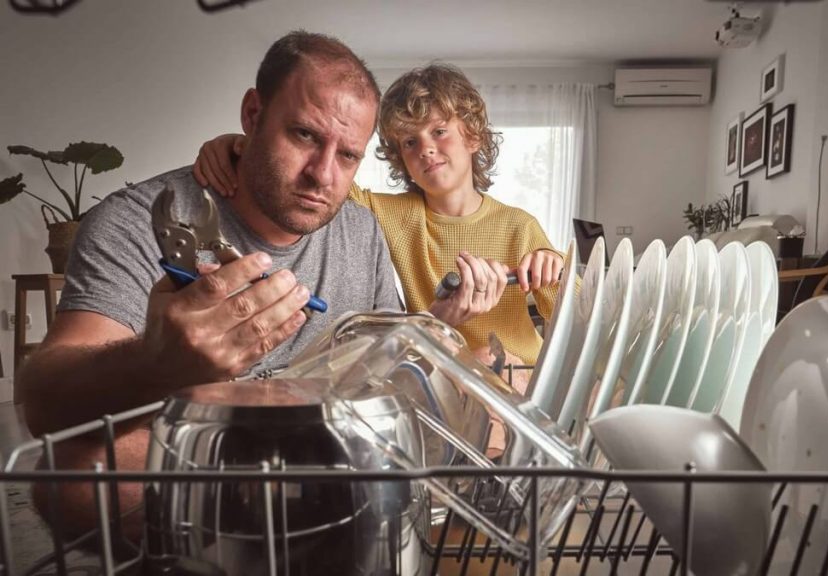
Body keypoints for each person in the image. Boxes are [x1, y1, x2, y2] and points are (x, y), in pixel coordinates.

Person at [18, 30, 400, 538]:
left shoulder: (362, 230)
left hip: (318, 452)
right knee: (69, 475)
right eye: (305, 135)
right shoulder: (131, 221)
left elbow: (388, 361)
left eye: (348, 155)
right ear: (252, 115)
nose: (322, 175)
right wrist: (155, 362)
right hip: (196, 454)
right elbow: (44, 400)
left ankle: (263, 536)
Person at [194, 64, 565, 371]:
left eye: (439, 131)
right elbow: (324, 182)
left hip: (518, 373)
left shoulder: (519, 226)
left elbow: (578, 311)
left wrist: (554, 270)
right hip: (442, 375)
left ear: (473, 137)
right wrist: (241, 142)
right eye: (409, 142)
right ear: (398, 157)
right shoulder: (388, 214)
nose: (426, 148)